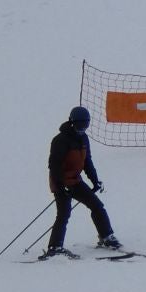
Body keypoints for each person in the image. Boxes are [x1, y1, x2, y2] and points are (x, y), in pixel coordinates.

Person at [44, 105, 120, 257]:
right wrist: (60, 186)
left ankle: (106, 236)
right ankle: (55, 247)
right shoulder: (60, 140)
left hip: (75, 181)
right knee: (64, 214)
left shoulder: (83, 138)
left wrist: (95, 180)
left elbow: (87, 161)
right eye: (80, 124)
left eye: (86, 124)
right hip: (61, 181)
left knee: (97, 206)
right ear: (72, 122)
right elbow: (54, 165)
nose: (83, 128)